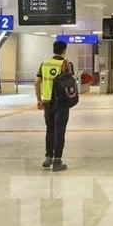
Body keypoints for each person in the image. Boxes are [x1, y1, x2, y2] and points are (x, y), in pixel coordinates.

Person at [35, 40, 74, 172]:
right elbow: (69, 82)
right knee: (60, 131)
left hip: (47, 101)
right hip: (61, 102)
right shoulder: (65, 64)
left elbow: (36, 81)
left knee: (49, 129)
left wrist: (39, 99)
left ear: (53, 49)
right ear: (64, 50)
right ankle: (57, 162)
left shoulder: (44, 63)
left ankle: (48, 157)